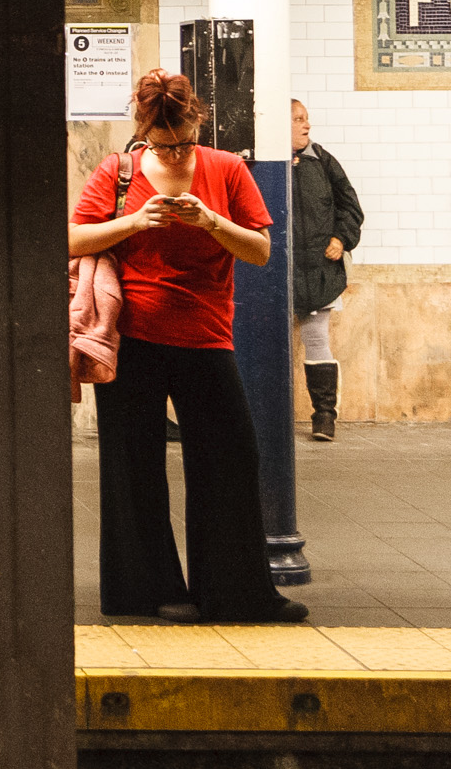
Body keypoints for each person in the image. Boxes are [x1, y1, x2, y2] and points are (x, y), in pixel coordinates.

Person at [69, 68, 304, 625]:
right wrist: (134, 222)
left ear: (198, 123)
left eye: (184, 143)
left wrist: (212, 221)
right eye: (163, 145)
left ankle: (236, 592)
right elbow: (72, 238)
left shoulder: (226, 169)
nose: (174, 155)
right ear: (144, 133)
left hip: (206, 335)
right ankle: (145, 591)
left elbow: (260, 251)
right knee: (133, 466)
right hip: (134, 338)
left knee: (230, 460)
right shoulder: (119, 172)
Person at [288, 100, 365, 443]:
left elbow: (351, 208)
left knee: (316, 338)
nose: (307, 125)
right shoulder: (263, 165)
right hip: (280, 271)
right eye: (298, 119)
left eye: (306, 119)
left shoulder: (323, 161)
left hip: (320, 270)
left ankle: (324, 416)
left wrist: (341, 238)